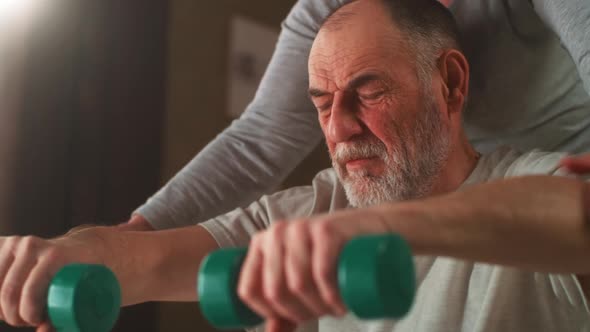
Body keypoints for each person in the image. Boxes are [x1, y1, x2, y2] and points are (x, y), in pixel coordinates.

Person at [1, 1, 590, 331]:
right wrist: (82, 248)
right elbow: (152, 258)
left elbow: (577, 211)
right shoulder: (311, 211)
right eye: (323, 104)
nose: (338, 128)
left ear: (452, 84)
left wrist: (391, 226)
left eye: (370, 91)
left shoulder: (535, 186)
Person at [126, 0, 590, 232]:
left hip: (565, 181)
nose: (340, 124)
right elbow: (258, 142)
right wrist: (132, 235)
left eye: (369, 90)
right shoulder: (328, 11)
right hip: (451, 204)